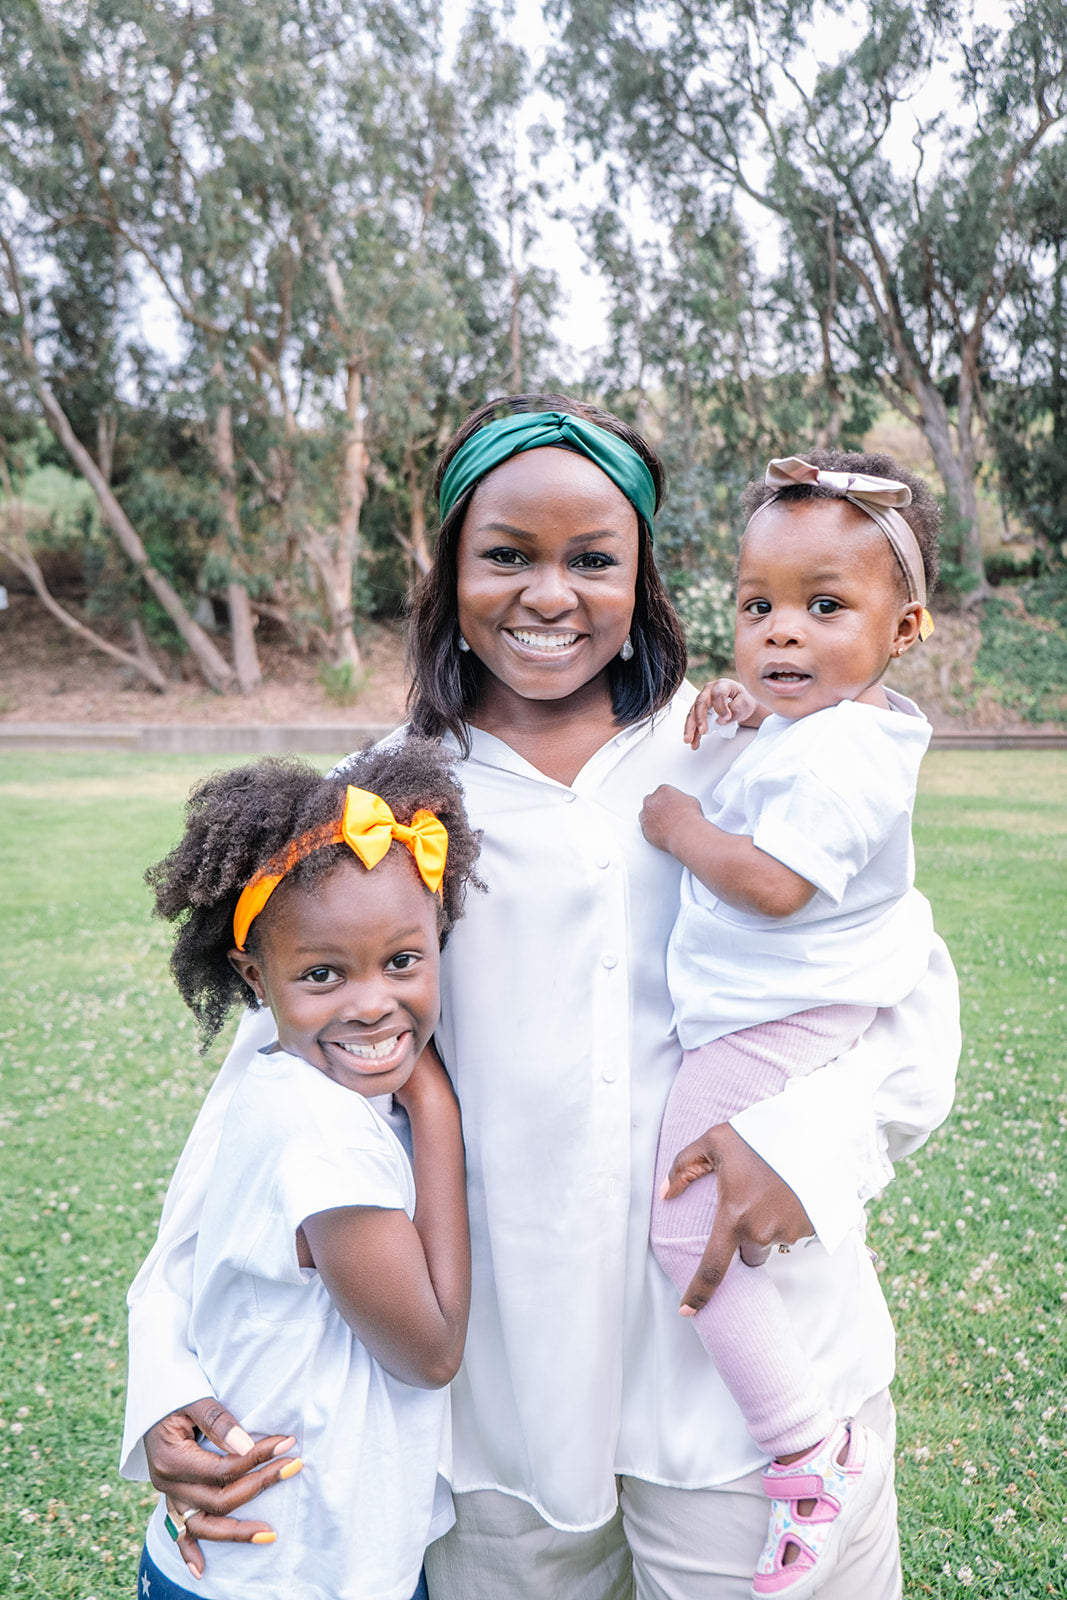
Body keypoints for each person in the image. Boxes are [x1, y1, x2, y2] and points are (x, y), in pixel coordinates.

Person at [121, 398, 960, 1600]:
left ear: (644, 573)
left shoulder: (757, 744)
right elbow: (265, 1101)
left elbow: (906, 998)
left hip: (751, 1386)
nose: (548, 594)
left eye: (593, 559)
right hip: (498, 1422)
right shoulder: (377, 804)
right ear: (449, 567)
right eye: (505, 553)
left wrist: (803, 1148)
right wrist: (166, 1367)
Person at [640, 454, 946, 1599]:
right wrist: (733, 725)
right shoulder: (816, 728)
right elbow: (768, 767)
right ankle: (806, 1445)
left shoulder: (848, 755)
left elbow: (771, 882)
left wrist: (676, 823)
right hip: (771, 1013)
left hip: (775, 1027)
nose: (779, 634)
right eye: (756, 605)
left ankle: (806, 1450)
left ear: (902, 625)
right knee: (692, 1224)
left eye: (824, 607)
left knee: (683, 1230)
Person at [131, 738, 481, 1600]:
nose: (370, 1002)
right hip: (292, 1568)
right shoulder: (324, 1136)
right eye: (322, 974)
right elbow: (430, 1351)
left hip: (296, 1552)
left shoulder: (279, 1078)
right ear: (254, 976)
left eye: (404, 961)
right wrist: (433, 1109)